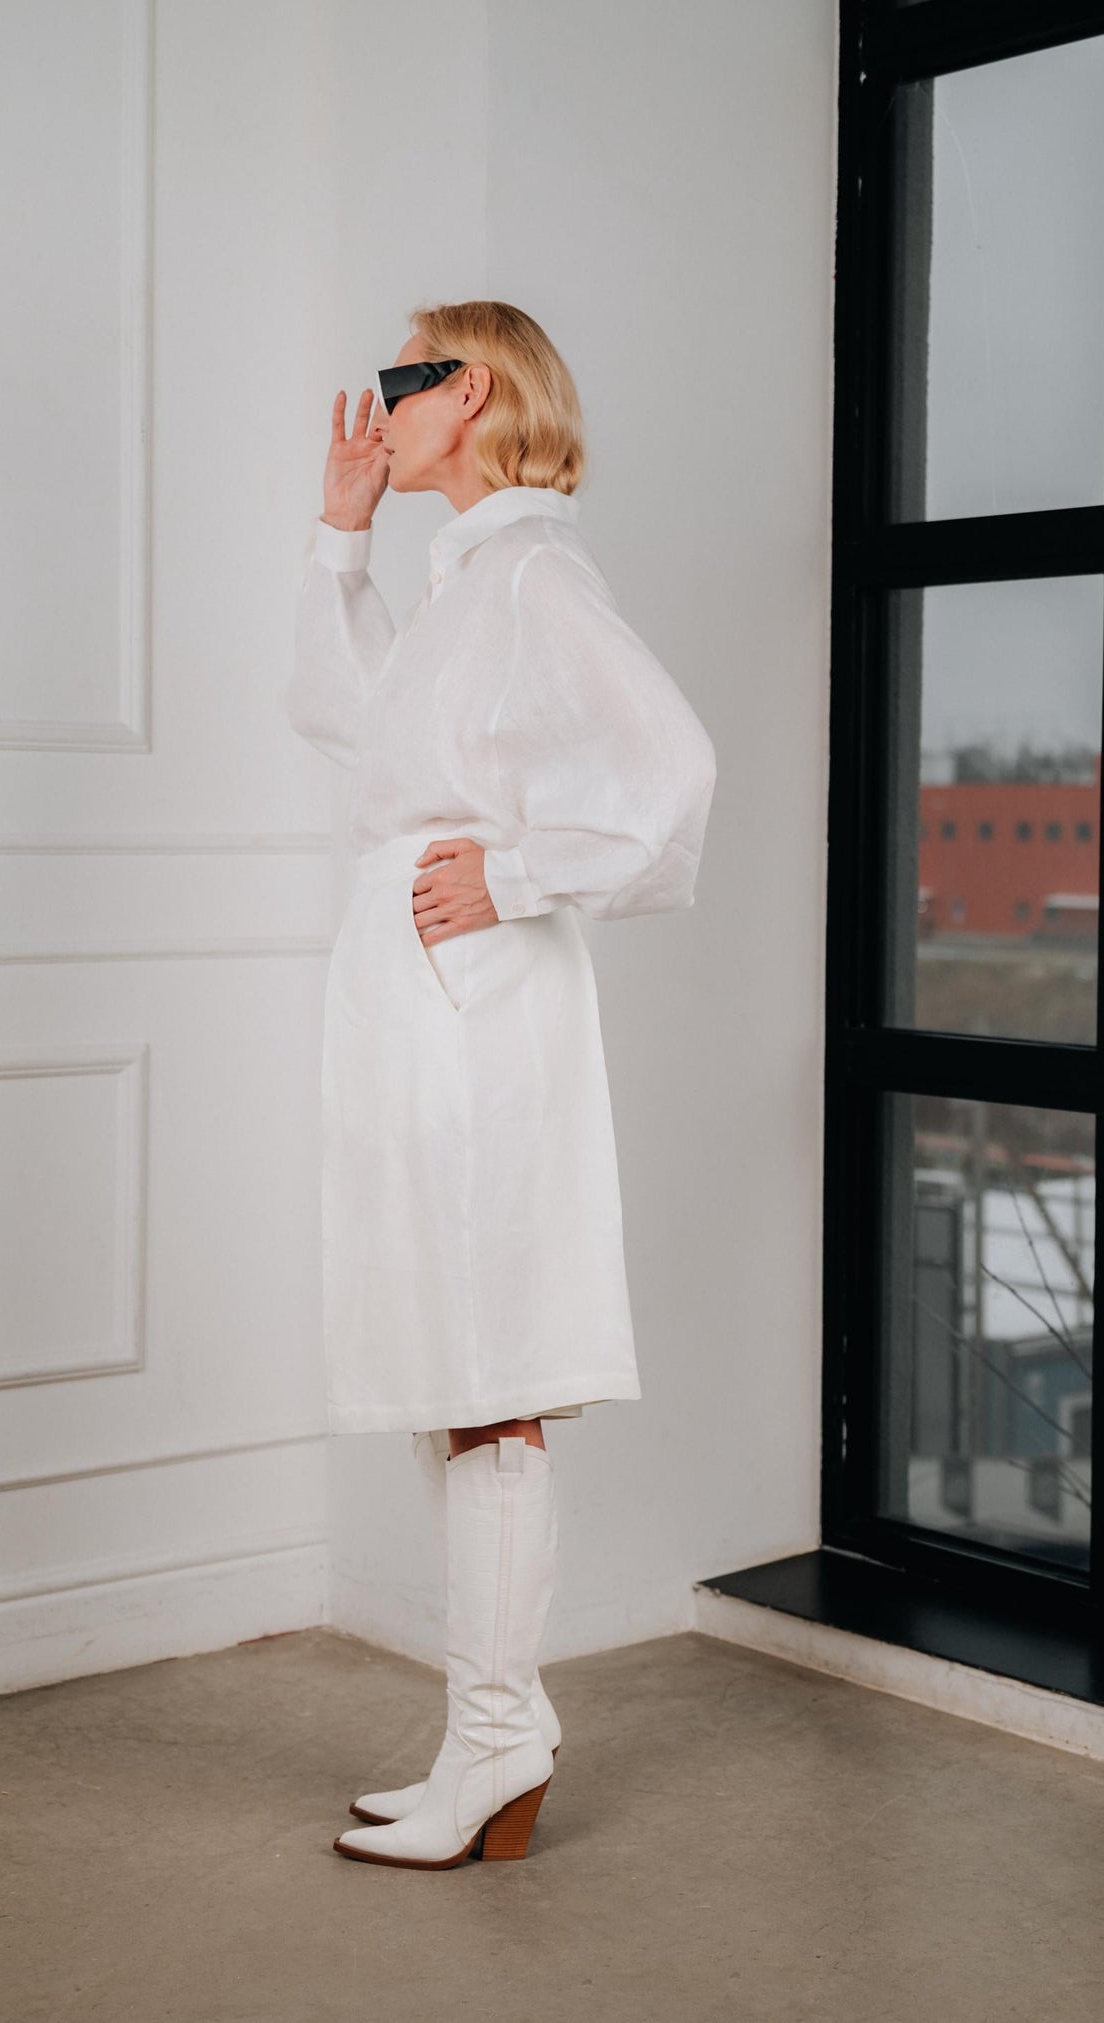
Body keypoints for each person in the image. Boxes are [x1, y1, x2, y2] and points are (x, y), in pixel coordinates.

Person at [284, 300, 717, 1870]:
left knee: (486, 1366)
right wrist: (342, 541)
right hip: (414, 997)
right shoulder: (464, 579)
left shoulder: (532, 571)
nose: (377, 410)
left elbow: (671, 775)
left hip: (475, 1004)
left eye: (400, 381)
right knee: (441, 1356)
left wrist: (519, 874)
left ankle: (496, 1741)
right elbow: (351, 729)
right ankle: (488, 1731)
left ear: (468, 389)